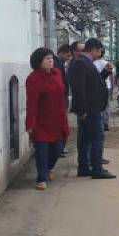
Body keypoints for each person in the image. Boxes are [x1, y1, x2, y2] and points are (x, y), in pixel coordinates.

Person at [68, 38, 115, 179]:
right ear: (94, 49)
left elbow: (93, 83)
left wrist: (106, 72)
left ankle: (85, 167)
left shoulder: (87, 63)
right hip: (89, 109)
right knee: (96, 137)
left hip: (90, 108)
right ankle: (96, 169)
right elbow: (79, 89)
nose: (100, 54)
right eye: (100, 51)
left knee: (86, 138)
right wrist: (82, 110)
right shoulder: (81, 63)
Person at [26, 48, 69, 190]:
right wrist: (30, 124)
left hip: (58, 118)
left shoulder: (57, 74)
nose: (51, 61)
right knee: (42, 151)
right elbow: (31, 103)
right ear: (39, 62)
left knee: (58, 147)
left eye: (51, 58)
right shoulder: (34, 78)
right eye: (47, 59)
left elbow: (62, 94)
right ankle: (41, 178)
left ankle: (49, 168)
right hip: (42, 121)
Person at [93, 49, 114, 131]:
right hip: (107, 87)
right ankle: (105, 123)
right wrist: (112, 88)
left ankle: (99, 123)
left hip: (97, 87)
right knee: (106, 106)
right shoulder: (107, 63)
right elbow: (111, 77)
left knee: (98, 105)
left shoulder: (92, 63)